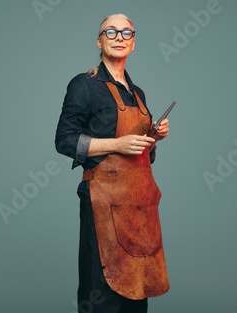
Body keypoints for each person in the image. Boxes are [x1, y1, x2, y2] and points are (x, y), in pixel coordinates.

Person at [55, 14, 171, 313]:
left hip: (139, 205)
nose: (119, 36)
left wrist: (152, 139)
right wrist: (117, 144)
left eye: (127, 32)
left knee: (136, 291)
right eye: (111, 31)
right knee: (102, 291)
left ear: (133, 42)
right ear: (99, 41)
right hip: (102, 201)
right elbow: (65, 140)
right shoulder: (85, 85)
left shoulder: (137, 93)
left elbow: (142, 156)